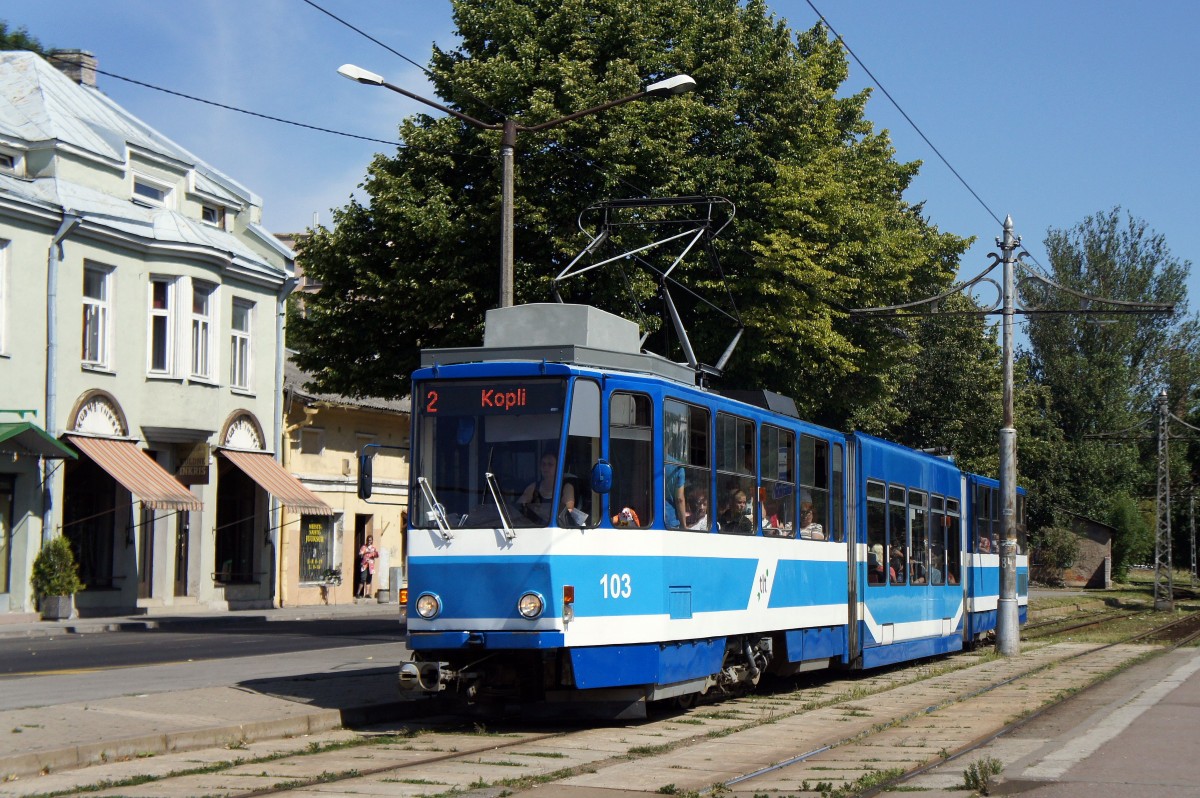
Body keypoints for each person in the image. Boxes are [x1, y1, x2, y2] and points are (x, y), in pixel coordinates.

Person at [519, 452, 575, 524]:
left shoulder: (567, 487)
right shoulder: (533, 487)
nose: (546, 468)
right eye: (543, 464)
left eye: (550, 464)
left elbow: (569, 509)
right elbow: (519, 507)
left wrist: (541, 511)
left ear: (558, 467)